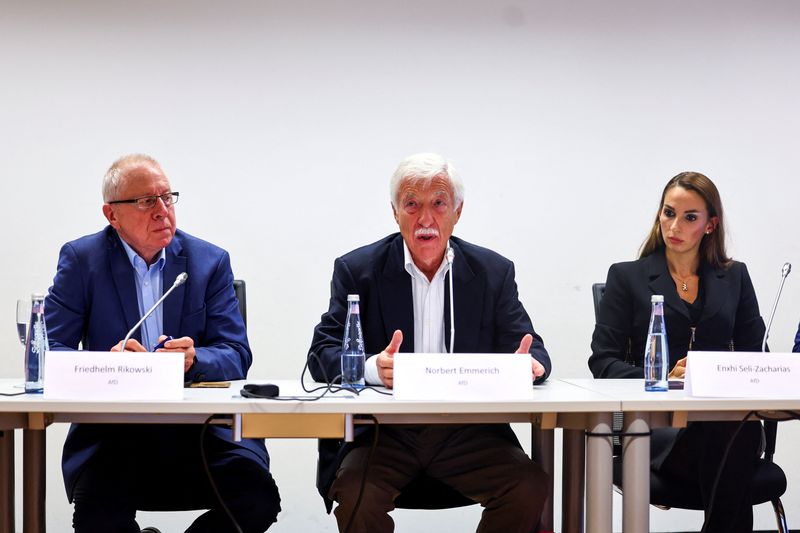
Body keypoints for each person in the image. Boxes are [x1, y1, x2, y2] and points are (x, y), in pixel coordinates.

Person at [308, 152, 551, 533]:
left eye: (438, 204)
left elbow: (531, 349)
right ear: (395, 212)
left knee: (529, 485)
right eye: (412, 205)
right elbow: (321, 356)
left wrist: (530, 365)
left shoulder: (491, 272)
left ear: (457, 211)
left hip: (469, 431)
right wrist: (371, 368)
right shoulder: (359, 270)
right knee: (357, 494)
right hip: (383, 433)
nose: (425, 219)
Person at [46, 154, 281, 533]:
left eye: (167, 198)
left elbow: (236, 354)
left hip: (203, 431)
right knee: (98, 516)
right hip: (114, 435)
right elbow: (49, 351)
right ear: (112, 215)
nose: (161, 211)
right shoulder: (82, 260)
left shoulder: (209, 261)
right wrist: (108, 363)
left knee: (257, 500)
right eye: (145, 201)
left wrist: (194, 358)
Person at [588, 171, 765, 532]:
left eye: (689, 217)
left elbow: (755, 358)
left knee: (733, 428)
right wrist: (662, 377)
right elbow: (603, 362)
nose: (675, 226)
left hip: (725, 424)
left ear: (711, 225)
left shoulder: (735, 277)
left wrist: (718, 373)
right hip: (654, 431)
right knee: (734, 440)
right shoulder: (628, 277)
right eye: (669, 213)